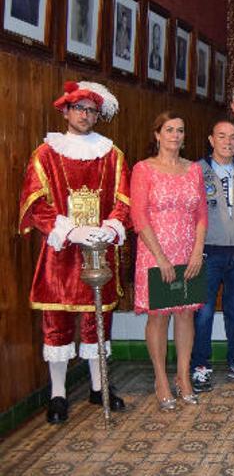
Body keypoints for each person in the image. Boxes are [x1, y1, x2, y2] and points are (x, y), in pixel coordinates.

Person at [19, 81, 129, 424]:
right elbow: (35, 202)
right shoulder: (46, 154)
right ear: (65, 111)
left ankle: (100, 387)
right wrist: (70, 230)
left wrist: (109, 228)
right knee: (57, 324)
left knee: (98, 321)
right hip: (62, 251)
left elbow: (123, 200)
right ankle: (58, 394)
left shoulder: (112, 154)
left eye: (91, 110)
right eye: (79, 109)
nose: (85, 115)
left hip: (99, 249)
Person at [131, 111, 208, 411]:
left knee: (186, 314)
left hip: (188, 252)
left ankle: (183, 377)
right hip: (156, 252)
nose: (175, 135)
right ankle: (161, 379)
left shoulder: (194, 170)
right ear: (157, 135)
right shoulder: (144, 169)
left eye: (180, 130)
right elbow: (138, 216)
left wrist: (197, 251)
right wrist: (160, 258)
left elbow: (201, 214)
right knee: (160, 315)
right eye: (169, 130)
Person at [190, 119, 234, 393]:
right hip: (208, 252)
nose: (228, 142)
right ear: (211, 140)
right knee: (204, 312)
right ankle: (200, 366)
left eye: (233, 137)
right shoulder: (197, 170)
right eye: (222, 136)